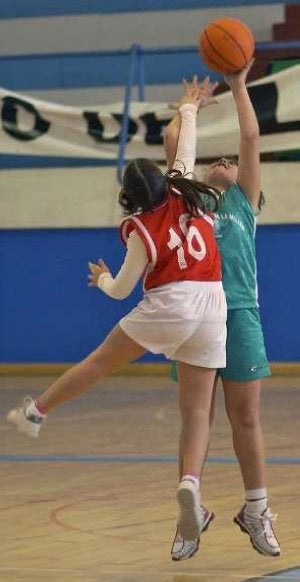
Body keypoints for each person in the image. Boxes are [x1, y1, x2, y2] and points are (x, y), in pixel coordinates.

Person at [7, 81, 227, 556]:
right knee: (196, 411)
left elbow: (123, 290)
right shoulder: (185, 188)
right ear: (163, 179)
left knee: (98, 363)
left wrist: (104, 280)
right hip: (212, 302)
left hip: (170, 305)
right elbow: (185, 142)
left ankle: (35, 411)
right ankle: (190, 482)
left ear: (129, 197)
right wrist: (188, 105)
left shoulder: (139, 229)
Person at [164, 65, 281, 560]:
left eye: (232, 161)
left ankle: (257, 509)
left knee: (246, 420)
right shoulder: (192, 203)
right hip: (195, 315)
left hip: (241, 315)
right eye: (220, 159)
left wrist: (238, 85)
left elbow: (251, 136)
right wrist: (185, 105)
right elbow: (174, 144)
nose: (227, 160)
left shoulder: (243, 202)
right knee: (197, 417)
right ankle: (189, 518)